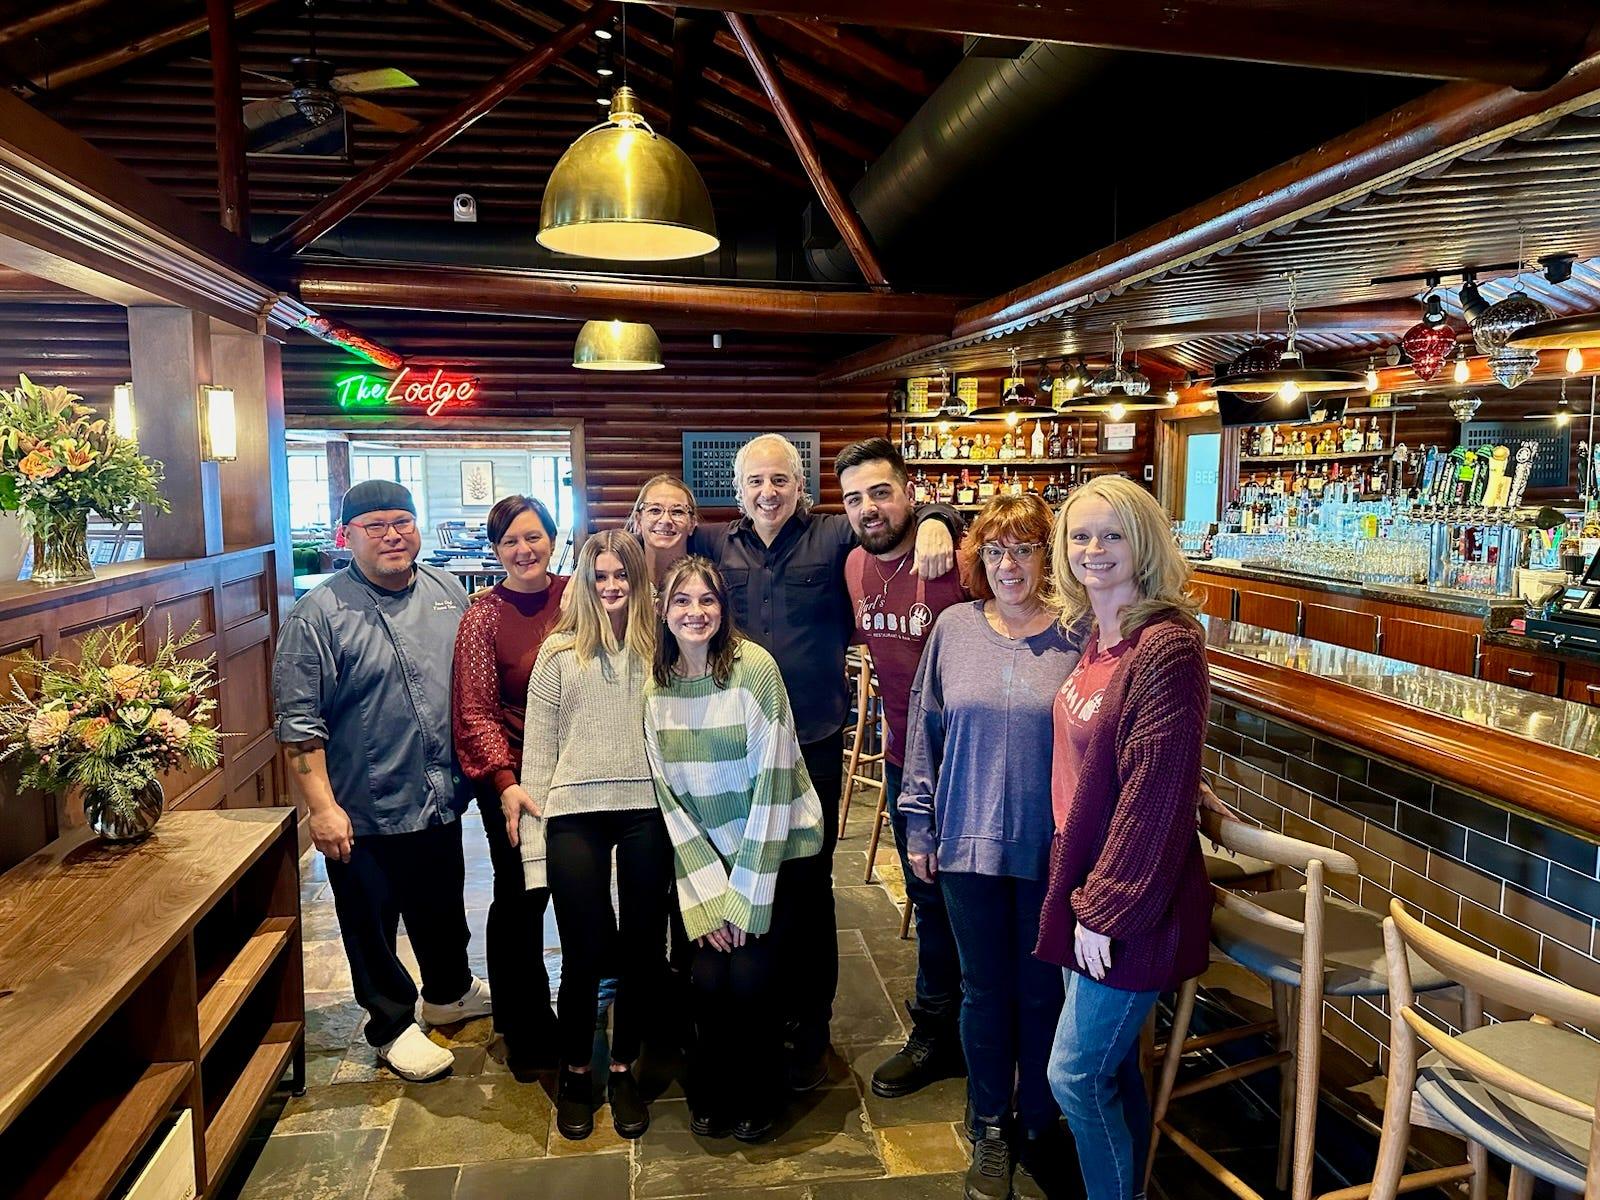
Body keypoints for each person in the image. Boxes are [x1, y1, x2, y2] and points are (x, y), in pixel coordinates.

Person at [690, 433, 960, 1090]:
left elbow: (891, 526)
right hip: (733, 744)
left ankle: (809, 1023)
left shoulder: (837, 537)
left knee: (807, 887)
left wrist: (935, 520)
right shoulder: (714, 547)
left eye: (780, 479)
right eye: (755, 481)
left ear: (801, 485)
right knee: (743, 879)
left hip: (810, 740)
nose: (767, 492)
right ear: (737, 486)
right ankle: (751, 1012)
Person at [900, 493, 1085, 1200]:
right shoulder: (953, 628)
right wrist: (917, 824)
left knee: (1041, 991)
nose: (1011, 564)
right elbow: (924, 732)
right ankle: (990, 1125)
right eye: (998, 551)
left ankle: (1038, 1119)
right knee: (983, 992)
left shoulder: (1078, 634)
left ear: (1048, 558)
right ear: (980, 558)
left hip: (1050, 848)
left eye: (1027, 549)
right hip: (965, 844)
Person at [274, 481, 489, 1084]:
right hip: (360, 802)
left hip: (438, 791)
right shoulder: (318, 613)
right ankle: (391, 1024)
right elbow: (297, 723)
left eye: (403, 521)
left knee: (442, 899)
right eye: (375, 526)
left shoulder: (448, 591)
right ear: (347, 537)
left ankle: (448, 991)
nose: (393, 535)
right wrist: (320, 806)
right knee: (370, 920)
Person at [1036, 475, 1211, 1200]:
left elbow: (1152, 797)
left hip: (1126, 901)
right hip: (1088, 884)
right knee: (1101, 1071)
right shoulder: (1102, 641)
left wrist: (1103, 906)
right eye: (1080, 535)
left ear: (1144, 544)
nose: (1093, 550)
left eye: (1112, 535)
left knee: (1072, 1074)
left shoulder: (1164, 646)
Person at [643, 556, 823, 1143]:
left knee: (748, 979)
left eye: (707, 600)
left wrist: (743, 896)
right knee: (705, 979)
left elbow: (774, 786)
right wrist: (709, 893)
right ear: (664, 612)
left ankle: (758, 1093)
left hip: (770, 853)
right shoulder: (657, 685)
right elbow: (671, 801)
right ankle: (712, 1090)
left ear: (724, 608)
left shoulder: (754, 671)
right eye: (682, 601)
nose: (695, 613)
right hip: (703, 863)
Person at [517, 529, 669, 1142]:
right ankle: (578, 1070)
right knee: (582, 955)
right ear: (583, 581)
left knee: (641, 949)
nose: (610, 587)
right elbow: (537, 761)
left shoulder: (659, 649)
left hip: (645, 811)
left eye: (622, 577)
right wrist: (534, 855)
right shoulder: (558, 656)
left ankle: (626, 1068)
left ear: (638, 582)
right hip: (573, 814)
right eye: (599, 576)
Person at [835, 438, 969, 1099]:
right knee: (928, 897)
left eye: (881, 491)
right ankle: (939, 1032)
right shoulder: (853, 564)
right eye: (855, 497)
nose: (869, 507)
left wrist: (949, 518)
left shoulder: (957, 556)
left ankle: (980, 1028)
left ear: (909, 491)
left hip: (977, 767)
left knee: (980, 900)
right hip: (903, 763)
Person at [450, 495, 565, 1081]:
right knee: (521, 897)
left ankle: (579, 1009)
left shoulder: (580, 596)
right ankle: (524, 1025)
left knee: (578, 893)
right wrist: (504, 781)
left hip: (582, 774)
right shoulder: (483, 617)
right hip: (517, 783)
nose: (524, 550)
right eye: (510, 542)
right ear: (496, 551)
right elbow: (475, 711)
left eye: (533, 537)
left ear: (553, 536)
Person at [626, 474, 697, 598]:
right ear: (638, 521)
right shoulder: (621, 586)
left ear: (691, 524)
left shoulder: (706, 584)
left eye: (677, 512)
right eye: (655, 510)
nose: (665, 520)